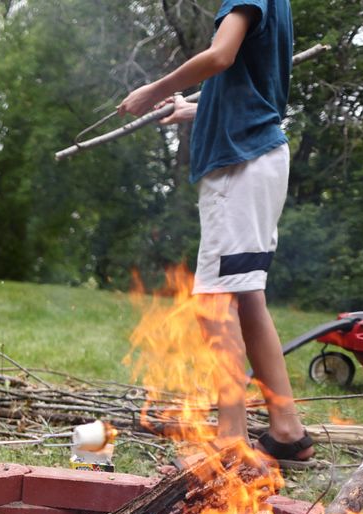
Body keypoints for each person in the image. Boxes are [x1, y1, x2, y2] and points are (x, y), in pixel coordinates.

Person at [117, 0, 314, 463]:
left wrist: (154, 89)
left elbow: (221, 56)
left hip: (240, 165)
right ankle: (287, 430)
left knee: (213, 302)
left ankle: (230, 440)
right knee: (247, 296)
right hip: (256, 156)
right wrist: (191, 109)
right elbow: (250, 88)